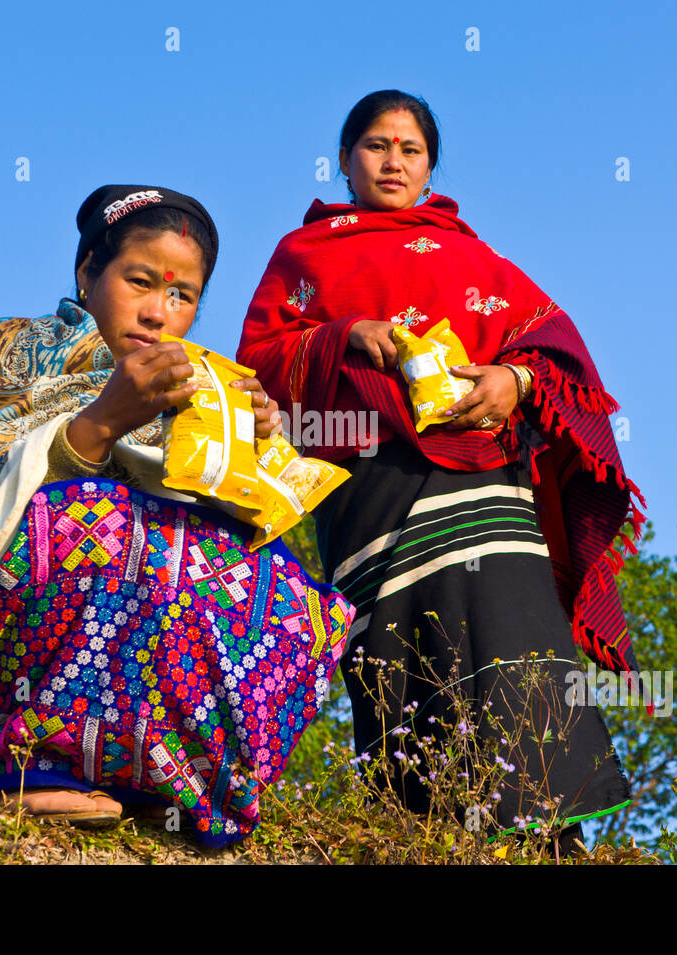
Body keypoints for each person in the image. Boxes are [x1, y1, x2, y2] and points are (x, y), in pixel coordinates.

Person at [0, 185, 355, 848]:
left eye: (182, 296)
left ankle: (179, 784)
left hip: (148, 686)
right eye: (140, 281)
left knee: (290, 591)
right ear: (88, 273)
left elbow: (220, 548)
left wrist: (251, 453)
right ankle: (33, 766)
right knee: (93, 519)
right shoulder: (2, 354)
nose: (158, 312)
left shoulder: (202, 392)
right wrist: (98, 426)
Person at [236, 91, 651, 851]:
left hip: (490, 484)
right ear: (344, 160)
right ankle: (418, 834)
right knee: (399, 645)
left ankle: (549, 843)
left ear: (430, 166)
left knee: (518, 642)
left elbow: (553, 346)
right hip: (369, 485)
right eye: (374, 145)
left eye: (410, 148)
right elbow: (258, 365)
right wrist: (343, 335)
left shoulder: (471, 254)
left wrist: (514, 384)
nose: (392, 160)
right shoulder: (304, 256)